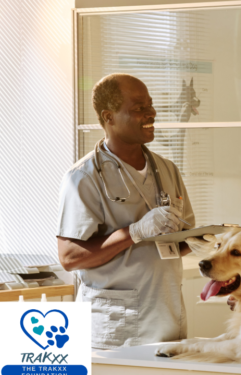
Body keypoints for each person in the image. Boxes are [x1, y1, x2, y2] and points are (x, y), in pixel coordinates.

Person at [57, 73, 199, 349]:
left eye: (150, 105)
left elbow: (182, 239)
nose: (151, 112)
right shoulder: (83, 177)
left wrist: (205, 241)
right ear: (108, 117)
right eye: (138, 108)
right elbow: (69, 257)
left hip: (166, 318)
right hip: (114, 326)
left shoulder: (167, 169)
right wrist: (134, 232)